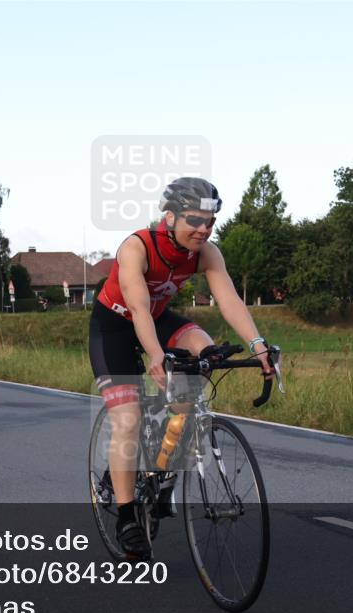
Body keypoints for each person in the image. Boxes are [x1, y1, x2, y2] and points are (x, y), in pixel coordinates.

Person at [89, 177, 275, 560]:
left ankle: (165, 462)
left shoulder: (206, 252)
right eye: (195, 220)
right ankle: (126, 516)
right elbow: (138, 307)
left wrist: (258, 345)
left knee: (206, 350)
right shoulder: (137, 247)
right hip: (115, 326)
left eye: (210, 221)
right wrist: (156, 355)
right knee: (127, 420)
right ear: (170, 217)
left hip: (158, 318)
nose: (204, 229)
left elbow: (229, 300)